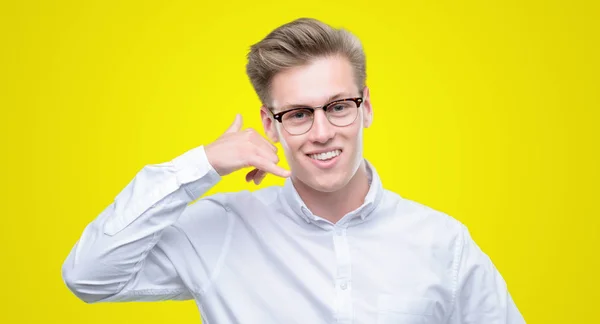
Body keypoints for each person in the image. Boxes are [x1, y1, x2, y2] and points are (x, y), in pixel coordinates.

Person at [62, 18, 525, 323]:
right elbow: (90, 275)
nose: (322, 132)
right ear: (270, 124)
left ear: (366, 108)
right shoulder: (223, 229)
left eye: (338, 106)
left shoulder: (443, 242)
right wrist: (204, 162)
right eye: (299, 114)